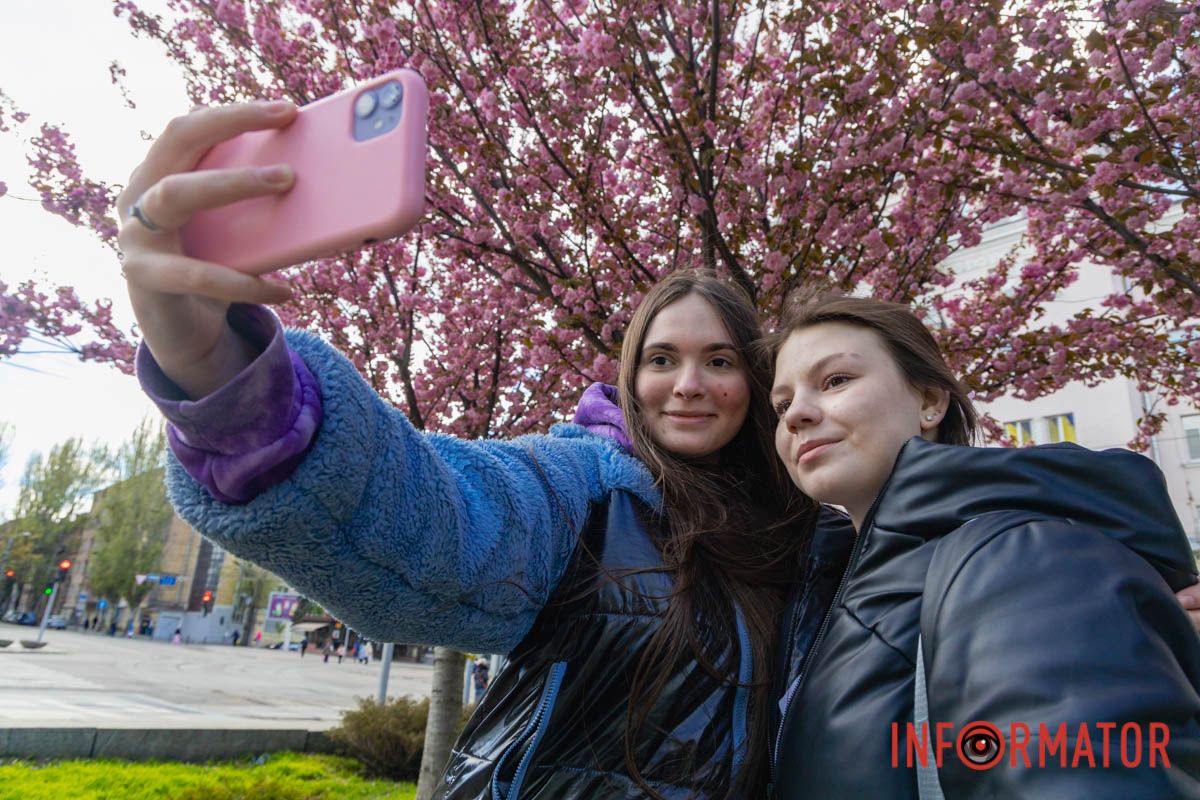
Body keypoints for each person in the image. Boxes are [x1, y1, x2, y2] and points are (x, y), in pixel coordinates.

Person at [116, 108, 812, 797]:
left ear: (752, 378)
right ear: (630, 379)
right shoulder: (587, 489)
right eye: (661, 359)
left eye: (718, 361)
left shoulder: (801, 522)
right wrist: (229, 380)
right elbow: (437, 516)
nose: (688, 386)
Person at [765, 295, 1200, 798]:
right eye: (781, 404)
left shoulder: (1019, 558)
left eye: (836, 380)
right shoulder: (830, 588)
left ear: (930, 400)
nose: (796, 414)